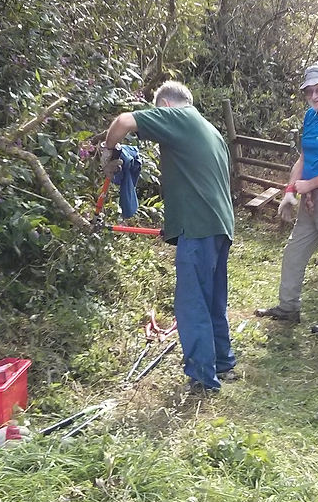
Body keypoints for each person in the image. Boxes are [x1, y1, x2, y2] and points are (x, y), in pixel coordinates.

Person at [100, 80, 237, 393]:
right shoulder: (210, 130)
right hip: (219, 225)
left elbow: (123, 121)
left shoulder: (180, 117)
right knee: (213, 299)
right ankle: (223, 363)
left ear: (164, 107)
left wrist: (108, 153)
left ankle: (203, 378)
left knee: (192, 304)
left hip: (199, 228)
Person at [255, 64, 318, 335]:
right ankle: (288, 309)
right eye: (309, 92)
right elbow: (304, 158)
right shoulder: (310, 117)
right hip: (311, 200)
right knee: (293, 252)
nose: (314, 96)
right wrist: (291, 191)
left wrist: (309, 185)